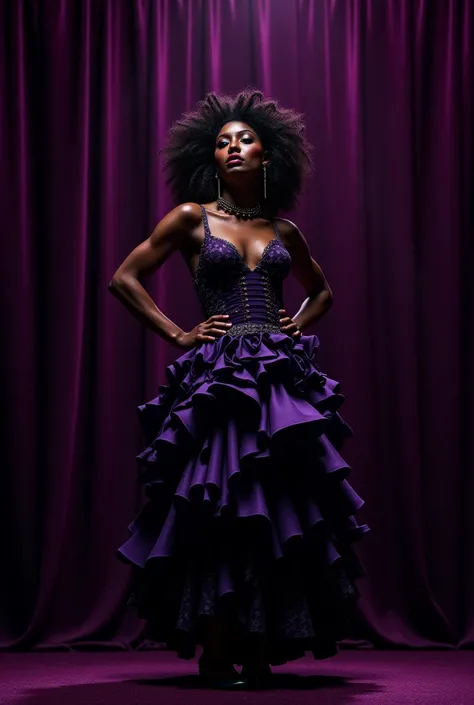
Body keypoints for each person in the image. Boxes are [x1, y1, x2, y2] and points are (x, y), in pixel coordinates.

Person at [108, 89, 369, 689]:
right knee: (222, 505)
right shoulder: (190, 217)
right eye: (222, 141)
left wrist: (294, 325)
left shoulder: (284, 229)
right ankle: (216, 645)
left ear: (267, 156)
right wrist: (178, 333)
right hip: (221, 381)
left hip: (279, 380)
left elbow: (322, 290)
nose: (232, 147)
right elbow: (124, 278)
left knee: (278, 507)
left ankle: (261, 645)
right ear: (213, 157)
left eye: (244, 139)